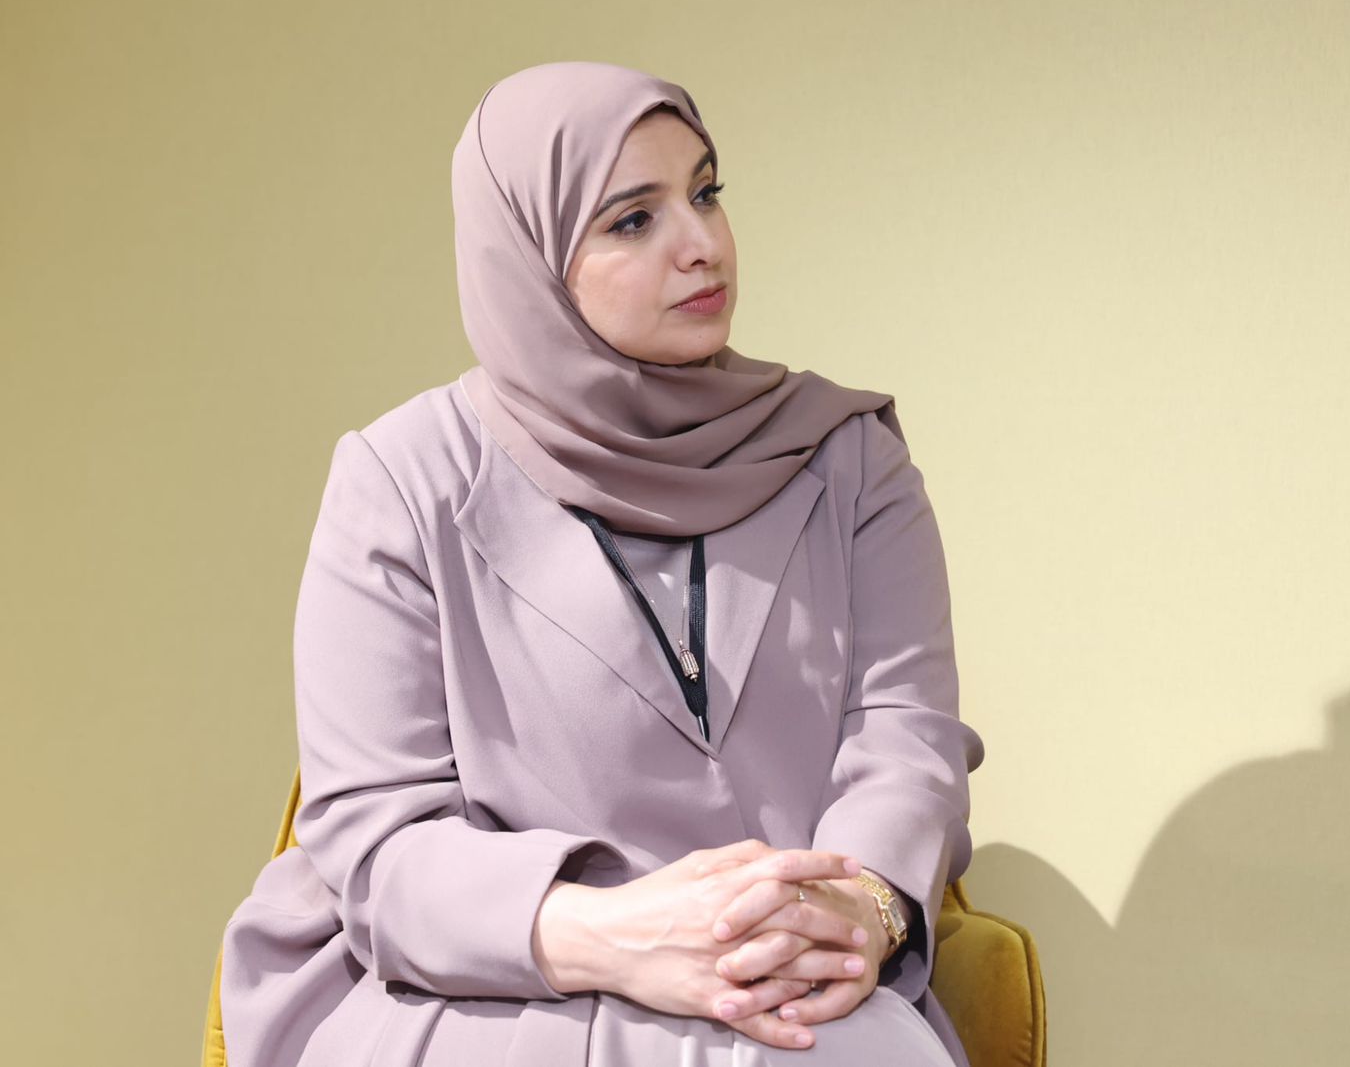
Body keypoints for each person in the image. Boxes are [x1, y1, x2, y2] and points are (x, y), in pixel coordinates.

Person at [217, 60, 987, 1066]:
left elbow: (906, 737)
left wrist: (860, 904)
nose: (701, 243)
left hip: (786, 980)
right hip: (490, 981)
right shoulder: (403, 480)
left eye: (705, 192)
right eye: (633, 219)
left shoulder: (847, 459)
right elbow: (376, 836)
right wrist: (613, 936)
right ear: (529, 258)